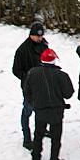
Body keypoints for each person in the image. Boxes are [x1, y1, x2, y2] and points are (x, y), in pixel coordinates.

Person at [23, 47, 74, 160]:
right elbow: (68, 93)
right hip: (56, 111)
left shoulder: (32, 73)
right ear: (54, 60)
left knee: (38, 134)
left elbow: (27, 91)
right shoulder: (61, 75)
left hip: (40, 110)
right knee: (56, 138)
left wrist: (34, 103)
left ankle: (36, 158)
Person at [12, 22, 48, 150]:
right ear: (31, 35)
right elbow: (16, 70)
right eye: (37, 36)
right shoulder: (22, 50)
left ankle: (43, 129)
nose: (39, 38)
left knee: (43, 109)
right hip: (30, 87)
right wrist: (29, 78)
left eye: (41, 36)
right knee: (28, 110)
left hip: (44, 84)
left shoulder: (44, 45)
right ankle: (27, 138)